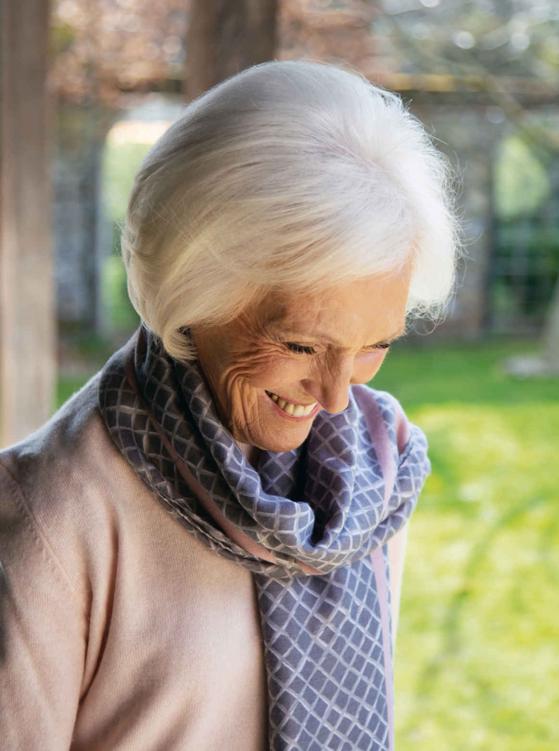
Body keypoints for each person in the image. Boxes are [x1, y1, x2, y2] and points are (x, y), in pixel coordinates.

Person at [0, 60, 458, 750]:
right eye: (301, 344)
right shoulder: (54, 510)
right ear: (195, 293)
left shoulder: (374, 469)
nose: (337, 394)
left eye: (373, 344)